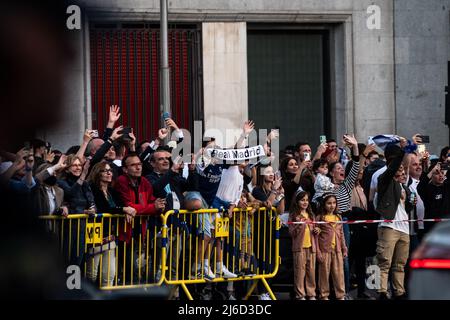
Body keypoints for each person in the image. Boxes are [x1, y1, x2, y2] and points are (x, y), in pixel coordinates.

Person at [114, 153, 166, 284]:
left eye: (139, 164)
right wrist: (152, 207)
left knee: (138, 270)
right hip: (123, 233)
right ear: (125, 169)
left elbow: (151, 201)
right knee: (127, 270)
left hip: (140, 232)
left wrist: (158, 205)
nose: (138, 167)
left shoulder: (144, 181)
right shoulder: (121, 181)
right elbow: (130, 206)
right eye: (133, 165)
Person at [87, 161, 137, 287]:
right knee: (91, 274)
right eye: (105, 170)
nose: (110, 173)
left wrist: (125, 210)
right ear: (98, 174)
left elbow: (120, 204)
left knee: (109, 274)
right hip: (95, 234)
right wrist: (123, 210)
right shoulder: (92, 189)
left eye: (110, 170)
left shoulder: (111, 191)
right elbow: (104, 208)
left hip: (110, 236)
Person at [375, 140, 413, 300]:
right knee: (384, 263)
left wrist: (411, 203)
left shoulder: (404, 186)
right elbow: (391, 169)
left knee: (400, 265)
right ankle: (381, 292)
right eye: (400, 168)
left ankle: (399, 292)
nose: (403, 171)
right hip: (389, 227)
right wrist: (402, 152)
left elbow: (405, 210)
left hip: (404, 229)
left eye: (404, 169)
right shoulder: (384, 180)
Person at [57, 155, 96, 266]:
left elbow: (91, 202)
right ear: (67, 168)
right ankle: (62, 284)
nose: (78, 168)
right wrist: (83, 175)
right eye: (74, 165)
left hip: (82, 228)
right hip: (67, 228)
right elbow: (70, 193)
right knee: (65, 262)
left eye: (80, 165)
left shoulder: (85, 184)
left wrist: (92, 210)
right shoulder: (62, 182)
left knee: (77, 263)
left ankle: (73, 284)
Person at [288, 191, 319, 300]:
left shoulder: (311, 215)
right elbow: (291, 233)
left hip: (311, 247)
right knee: (300, 273)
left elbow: (315, 230)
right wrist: (299, 225)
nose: (305, 202)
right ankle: (300, 295)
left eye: (306, 200)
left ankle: (311, 294)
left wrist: (317, 230)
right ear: (297, 202)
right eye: (302, 200)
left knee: (311, 273)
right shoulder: (294, 215)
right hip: (299, 248)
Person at [316, 193, 347, 300]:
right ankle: (324, 295)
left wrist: (344, 248)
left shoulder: (338, 217)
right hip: (324, 250)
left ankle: (340, 295)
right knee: (324, 274)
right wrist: (318, 251)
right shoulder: (320, 218)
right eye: (329, 203)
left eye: (334, 203)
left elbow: (342, 234)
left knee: (339, 274)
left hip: (337, 250)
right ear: (324, 204)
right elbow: (315, 235)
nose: (332, 205)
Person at [417, 162, 450, 235]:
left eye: (442, 173)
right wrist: (432, 171)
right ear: (431, 176)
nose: (441, 175)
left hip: (446, 228)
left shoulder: (447, 187)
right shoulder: (427, 189)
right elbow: (420, 186)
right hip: (431, 229)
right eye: (437, 173)